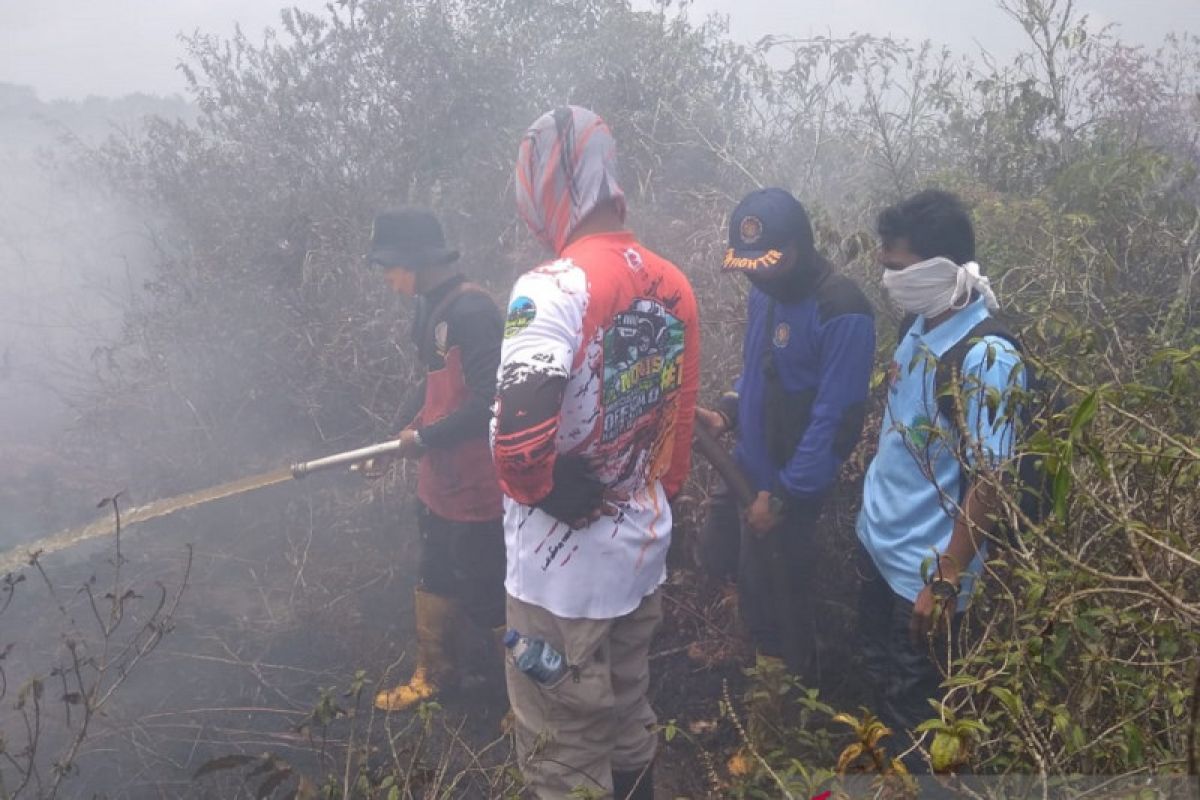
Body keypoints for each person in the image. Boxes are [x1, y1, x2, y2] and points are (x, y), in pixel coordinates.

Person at [493, 106, 700, 800]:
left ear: (546, 180)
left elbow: (519, 448)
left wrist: (542, 487)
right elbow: (673, 457)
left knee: (562, 752)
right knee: (626, 717)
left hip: (561, 587)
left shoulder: (550, 286)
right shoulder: (673, 283)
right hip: (638, 562)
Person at [856, 189, 1025, 769]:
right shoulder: (922, 324)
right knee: (880, 708)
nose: (888, 280)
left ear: (941, 268)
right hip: (882, 554)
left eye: (897, 268)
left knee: (917, 732)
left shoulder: (986, 358)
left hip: (924, 584)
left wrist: (947, 576)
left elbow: (993, 481)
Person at [695, 188, 876, 680]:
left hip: (785, 487)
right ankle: (743, 640)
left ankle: (775, 711)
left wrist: (783, 497)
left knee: (774, 600)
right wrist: (727, 414)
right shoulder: (765, 294)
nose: (756, 273)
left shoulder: (841, 309)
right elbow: (759, 371)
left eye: (767, 262)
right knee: (716, 555)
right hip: (744, 466)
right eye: (749, 264)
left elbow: (836, 420)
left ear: (798, 248)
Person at [364, 207, 507, 712]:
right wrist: (394, 439)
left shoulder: (473, 313)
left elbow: (491, 400)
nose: (387, 277)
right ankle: (434, 676)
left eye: (390, 266)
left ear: (416, 260)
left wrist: (421, 439)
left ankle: (521, 701)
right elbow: (427, 384)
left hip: (478, 485)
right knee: (435, 573)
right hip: (438, 480)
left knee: (488, 592)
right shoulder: (428, 307)